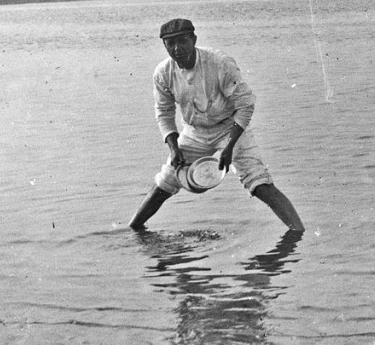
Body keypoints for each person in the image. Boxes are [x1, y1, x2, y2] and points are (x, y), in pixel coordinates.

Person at [129, 18, 305, 232]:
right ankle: (133, 230)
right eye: (170, 43)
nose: (177, 49)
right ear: (164, 45)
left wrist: (229, 147)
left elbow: (246, 104)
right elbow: (164, 113)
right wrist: (174, 149)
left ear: (194, 39)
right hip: (194, 132)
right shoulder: (163, 73)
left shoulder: (219, 63)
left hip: (230, 127)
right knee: (167, 180)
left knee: (258, 181)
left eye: (183, 41)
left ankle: (298, 232)